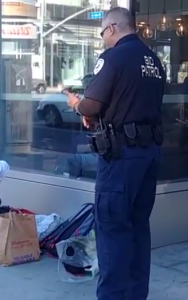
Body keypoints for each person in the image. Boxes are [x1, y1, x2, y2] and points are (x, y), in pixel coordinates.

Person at [66, 7, 165, 300]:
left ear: (111, 28)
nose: (103, 40)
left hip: (121, 156)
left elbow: (92, 104)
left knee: (111, 229)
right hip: (148, 153)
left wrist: (77, 104)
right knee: (137, 227)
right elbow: (133, 101)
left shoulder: (114, 57)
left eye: (102, 34)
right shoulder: (153, 60)